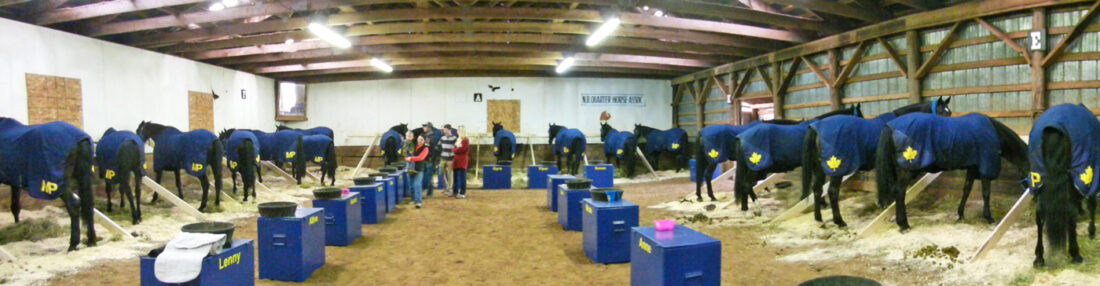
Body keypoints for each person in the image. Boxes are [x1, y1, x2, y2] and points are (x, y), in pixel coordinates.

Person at [405, 135, 429, 208]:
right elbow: (406, 154)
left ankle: (418, 202)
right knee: (411, 185)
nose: (420, 141)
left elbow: (421, 158)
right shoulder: (412, 146)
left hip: (419, 169)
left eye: (421, 139)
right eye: (419, 139)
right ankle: (413, 200)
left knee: (417, 185)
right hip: (410, 168)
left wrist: (410, 158)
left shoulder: (425, 149)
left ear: (424, 141)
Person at [421, 123, 442, 197]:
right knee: (428, 176)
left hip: (430, 159)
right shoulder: (426, 136)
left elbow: (434, 148)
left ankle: (429, 192)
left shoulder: (432, 137)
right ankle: (429, 192)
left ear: (429, 127)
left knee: (429, 176)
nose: (423, 128)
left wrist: (432, 157)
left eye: (425, 126)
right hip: (427, 158)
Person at [439, 124, 457, 195]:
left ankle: (449, 189)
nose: (443, 130)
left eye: (444, 129)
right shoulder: (442, 138)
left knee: (450, 174)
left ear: (449, 129)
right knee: (441, 173)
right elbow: (438, 146)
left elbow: (456, 148)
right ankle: (446, 187)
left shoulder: (454, 138)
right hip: (442, 158)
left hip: (451, 159)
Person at [451, 128, 469, 199]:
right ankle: (455, 192)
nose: (457, 132)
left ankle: (462, 193)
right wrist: (456, 149)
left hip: (462, 160)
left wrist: (455, 150)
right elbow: (454, 149)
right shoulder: (457, 139)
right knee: (455, 177)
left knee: (462, 177)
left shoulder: (465, 140)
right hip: (456, 160)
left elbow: (464, 149)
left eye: (458, 131)